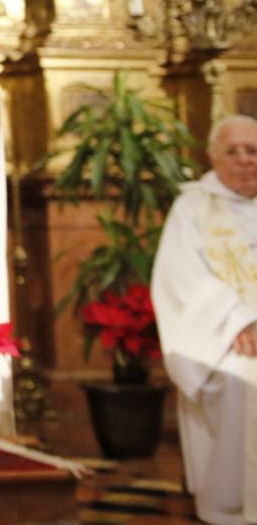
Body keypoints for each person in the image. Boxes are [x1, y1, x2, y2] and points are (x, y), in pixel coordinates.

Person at [152, 115, 257, 525]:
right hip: (225, 338)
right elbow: (180, 279)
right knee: (236, 379)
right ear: (213, 157)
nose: (244, 159)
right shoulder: (193, 207)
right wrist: (239, 321)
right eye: (232, 151)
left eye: (253, 150)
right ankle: (232, 507)